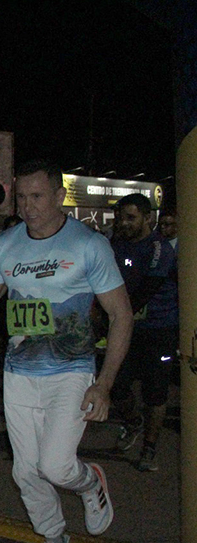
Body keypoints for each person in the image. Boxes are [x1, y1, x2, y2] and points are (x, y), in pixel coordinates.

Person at [0, 160, 131, 543]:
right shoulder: (5, 244)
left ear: (59, 196)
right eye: (21, 197)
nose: (28, 206)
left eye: (37, 196)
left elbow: (121, 316)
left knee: (56, 465)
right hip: (19, 372)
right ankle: (57, 541)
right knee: (25, 470)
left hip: (71, 369)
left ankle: (90, 482)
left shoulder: (88, 245)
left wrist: (105, 384)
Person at [108, 193, 178, 471]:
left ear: (147, 218)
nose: (123, 223)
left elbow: (146, 291)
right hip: (127, 328)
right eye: (120, 218)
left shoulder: (160, 248)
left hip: (160, 329)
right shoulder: (115, 245)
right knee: (116, 383)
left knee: (155, 392)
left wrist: (116, 313)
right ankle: (132, 422)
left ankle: (149, 448)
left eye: (131, 218)